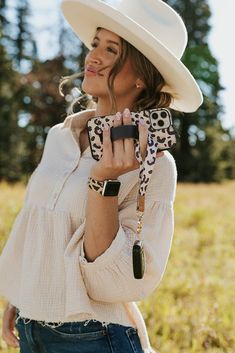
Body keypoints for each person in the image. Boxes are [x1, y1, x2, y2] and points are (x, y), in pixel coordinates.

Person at [0, 0, 202, 352]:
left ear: (142, 75)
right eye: (95, 44)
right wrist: (22, 295)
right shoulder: (58, 138)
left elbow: (115, 282)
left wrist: (104, 182)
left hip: (93, 337)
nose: (93, 57)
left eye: (112, 50)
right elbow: (39, 228)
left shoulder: (155, 166)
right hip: (31, 329)